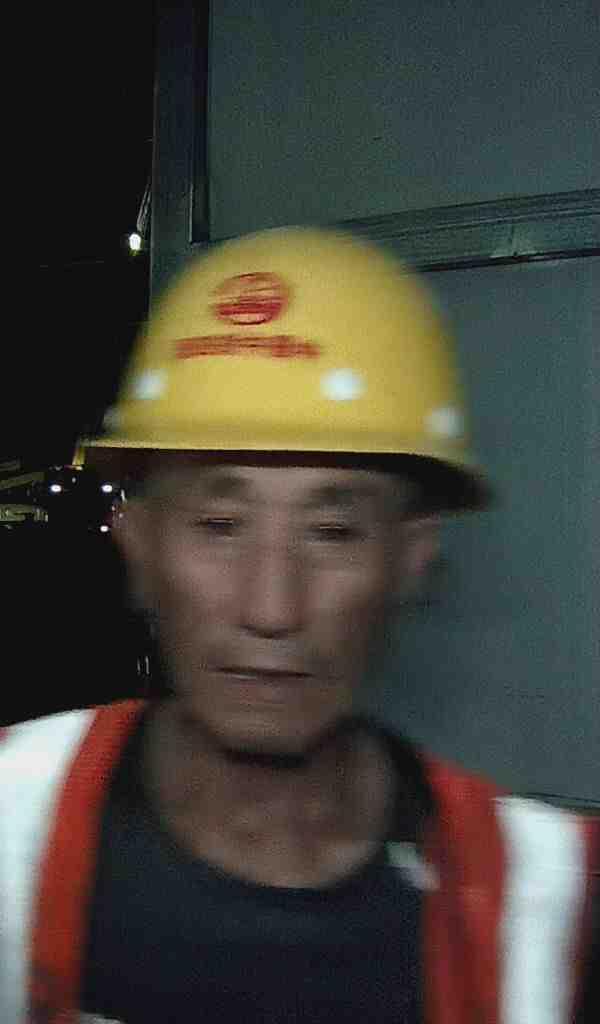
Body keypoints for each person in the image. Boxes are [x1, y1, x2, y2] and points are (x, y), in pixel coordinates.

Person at [1, 227, 597, 1024]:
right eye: (219, 524)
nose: (271, 609)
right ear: (141, 547)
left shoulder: (549, 907)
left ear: (411, 559)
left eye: (334, 531)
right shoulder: (13, 823)